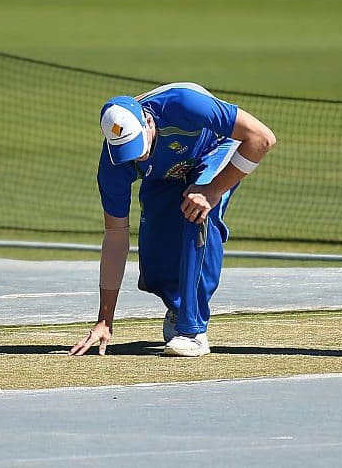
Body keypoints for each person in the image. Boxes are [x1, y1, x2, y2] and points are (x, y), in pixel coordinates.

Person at [69, 82, 276, 357]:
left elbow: (262, 139)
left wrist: (212, 191)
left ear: (149, 122)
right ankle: (179, 309)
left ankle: (193, 331)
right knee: (155, 268)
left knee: (197, 209)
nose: (137, 156)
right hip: (165, 174)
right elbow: (116, 236)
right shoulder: (113, 165)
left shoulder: (184, 103)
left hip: (214, 151)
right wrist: (105, 320)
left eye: (138, 146)